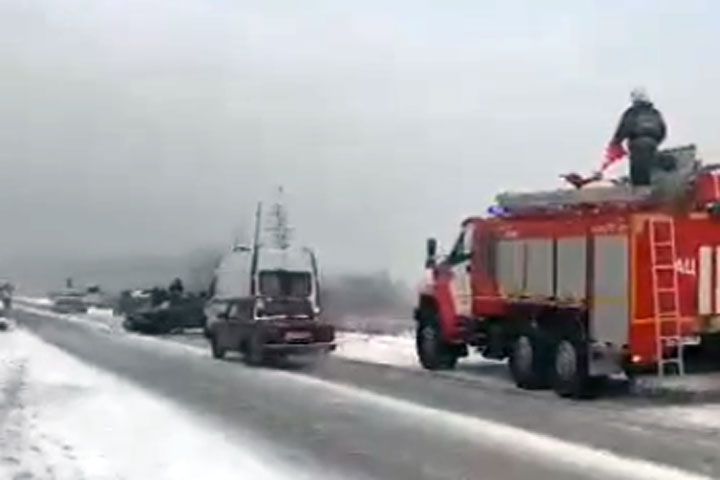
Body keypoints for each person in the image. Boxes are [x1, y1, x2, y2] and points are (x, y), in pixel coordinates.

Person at [602, 87, 667, 186]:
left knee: (638, 174)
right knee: (648, 169)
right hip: (652, 144)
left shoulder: (632, 112)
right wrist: (655, 142)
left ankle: (640, 193)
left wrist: (616, 142)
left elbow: (624, 127)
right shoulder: (655, 113)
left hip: (637, 144)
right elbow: (663, 130)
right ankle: (650, 190)